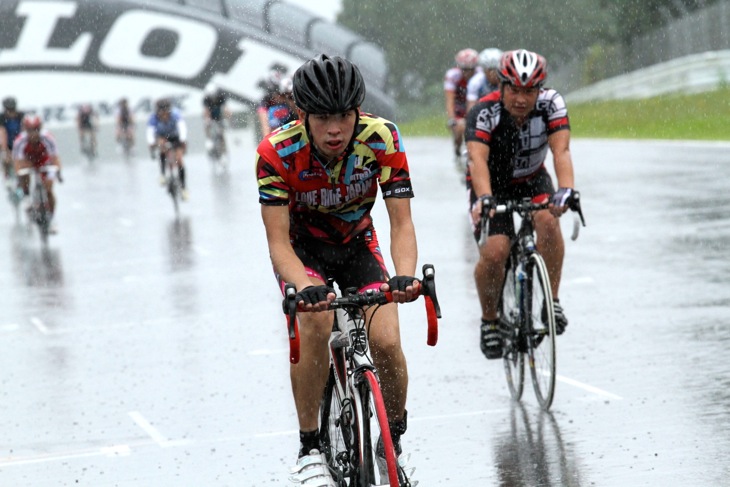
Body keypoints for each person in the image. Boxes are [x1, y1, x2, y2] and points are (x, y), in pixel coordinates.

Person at [256, 54, 420, 486]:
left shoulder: (382, 137)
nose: (335, 129)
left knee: (385, 340)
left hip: (356, 244)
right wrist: (304, 286)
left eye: (344, 117)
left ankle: (392, 444)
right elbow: (277, 242)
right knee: (316, 323)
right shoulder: (276, 152)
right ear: (303, 115)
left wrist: (404, 276)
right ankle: (310, 446)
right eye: (323, 117)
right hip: (301, 250)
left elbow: (401, 222)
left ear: (356, 113)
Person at [465, 49, 578, 359]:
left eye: (529, 91)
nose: (521, 98)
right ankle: (490, 320)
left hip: (532, 177)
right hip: (492, 185)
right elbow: (477, 158)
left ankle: (551, 302)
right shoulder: (483, 112)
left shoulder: (551, 104)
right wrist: (486, 199)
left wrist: (566, 189)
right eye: (514, 89)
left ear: (539, 90)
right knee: (496, 251)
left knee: (548, 221)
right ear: (501, 86)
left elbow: (561, 151)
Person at [12, 115, 63, 233]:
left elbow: (55, 158)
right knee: (23, 175)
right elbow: (18, 162)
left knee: (49, 189)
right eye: (30, 130)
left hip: (45, 161)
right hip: (28, 161)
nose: (33, 134)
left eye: (36, 129)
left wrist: (58, 171)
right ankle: (27, 197)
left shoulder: (48, 138)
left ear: (40, 128)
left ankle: (52, 217)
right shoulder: (20, 141)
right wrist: (20, 176)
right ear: (25, 130)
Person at [444, 48, 480, 166]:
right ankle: (457, 150)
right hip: (459, 109)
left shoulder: (480, 75)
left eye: (471, 69)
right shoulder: (453, 75)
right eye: (464, 69)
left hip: (476, 106)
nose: (468, 73)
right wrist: (451, 119)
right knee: (459, 128)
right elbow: (450, 100)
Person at [147, 98, 189, 200]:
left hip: (175, 137)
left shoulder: (175, 115)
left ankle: (184, 188)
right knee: (162, 146)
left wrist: (183, 140)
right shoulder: (153, 118)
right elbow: (150, 132)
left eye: (166, 113)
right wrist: (151, 143)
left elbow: (182, 127)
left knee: (179, 160)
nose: (164, 116)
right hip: (162, 137)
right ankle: (163, 174)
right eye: (162, 114)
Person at [466, 48, 503, 113]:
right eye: (490, 69)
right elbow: (471, 107)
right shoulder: (475, 81)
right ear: (484, 70)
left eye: (496, 70)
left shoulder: (505, 81)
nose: (493, 73)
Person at [0, 97, 25, 187]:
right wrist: (5, 149)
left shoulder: (20, 115)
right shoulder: (2, 118)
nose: (11, 113)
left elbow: (24, 130)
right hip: (7, 142)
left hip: (19, 142)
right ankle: (7, 175)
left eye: (12, 110)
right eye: (9, 110)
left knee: (21, 160)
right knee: (6, 159)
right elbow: (2, 133)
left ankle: (21, 179)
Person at [202, 82, 230, 160]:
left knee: (221, 134)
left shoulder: (221, 97)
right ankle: (209, 140)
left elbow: (226, 109)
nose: (213, 99)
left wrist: (227, 119)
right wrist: (207, 121)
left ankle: (224, 152)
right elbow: (206, 111)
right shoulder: (206, 99)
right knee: (206, 125)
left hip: (220, 116)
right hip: (211, 116)